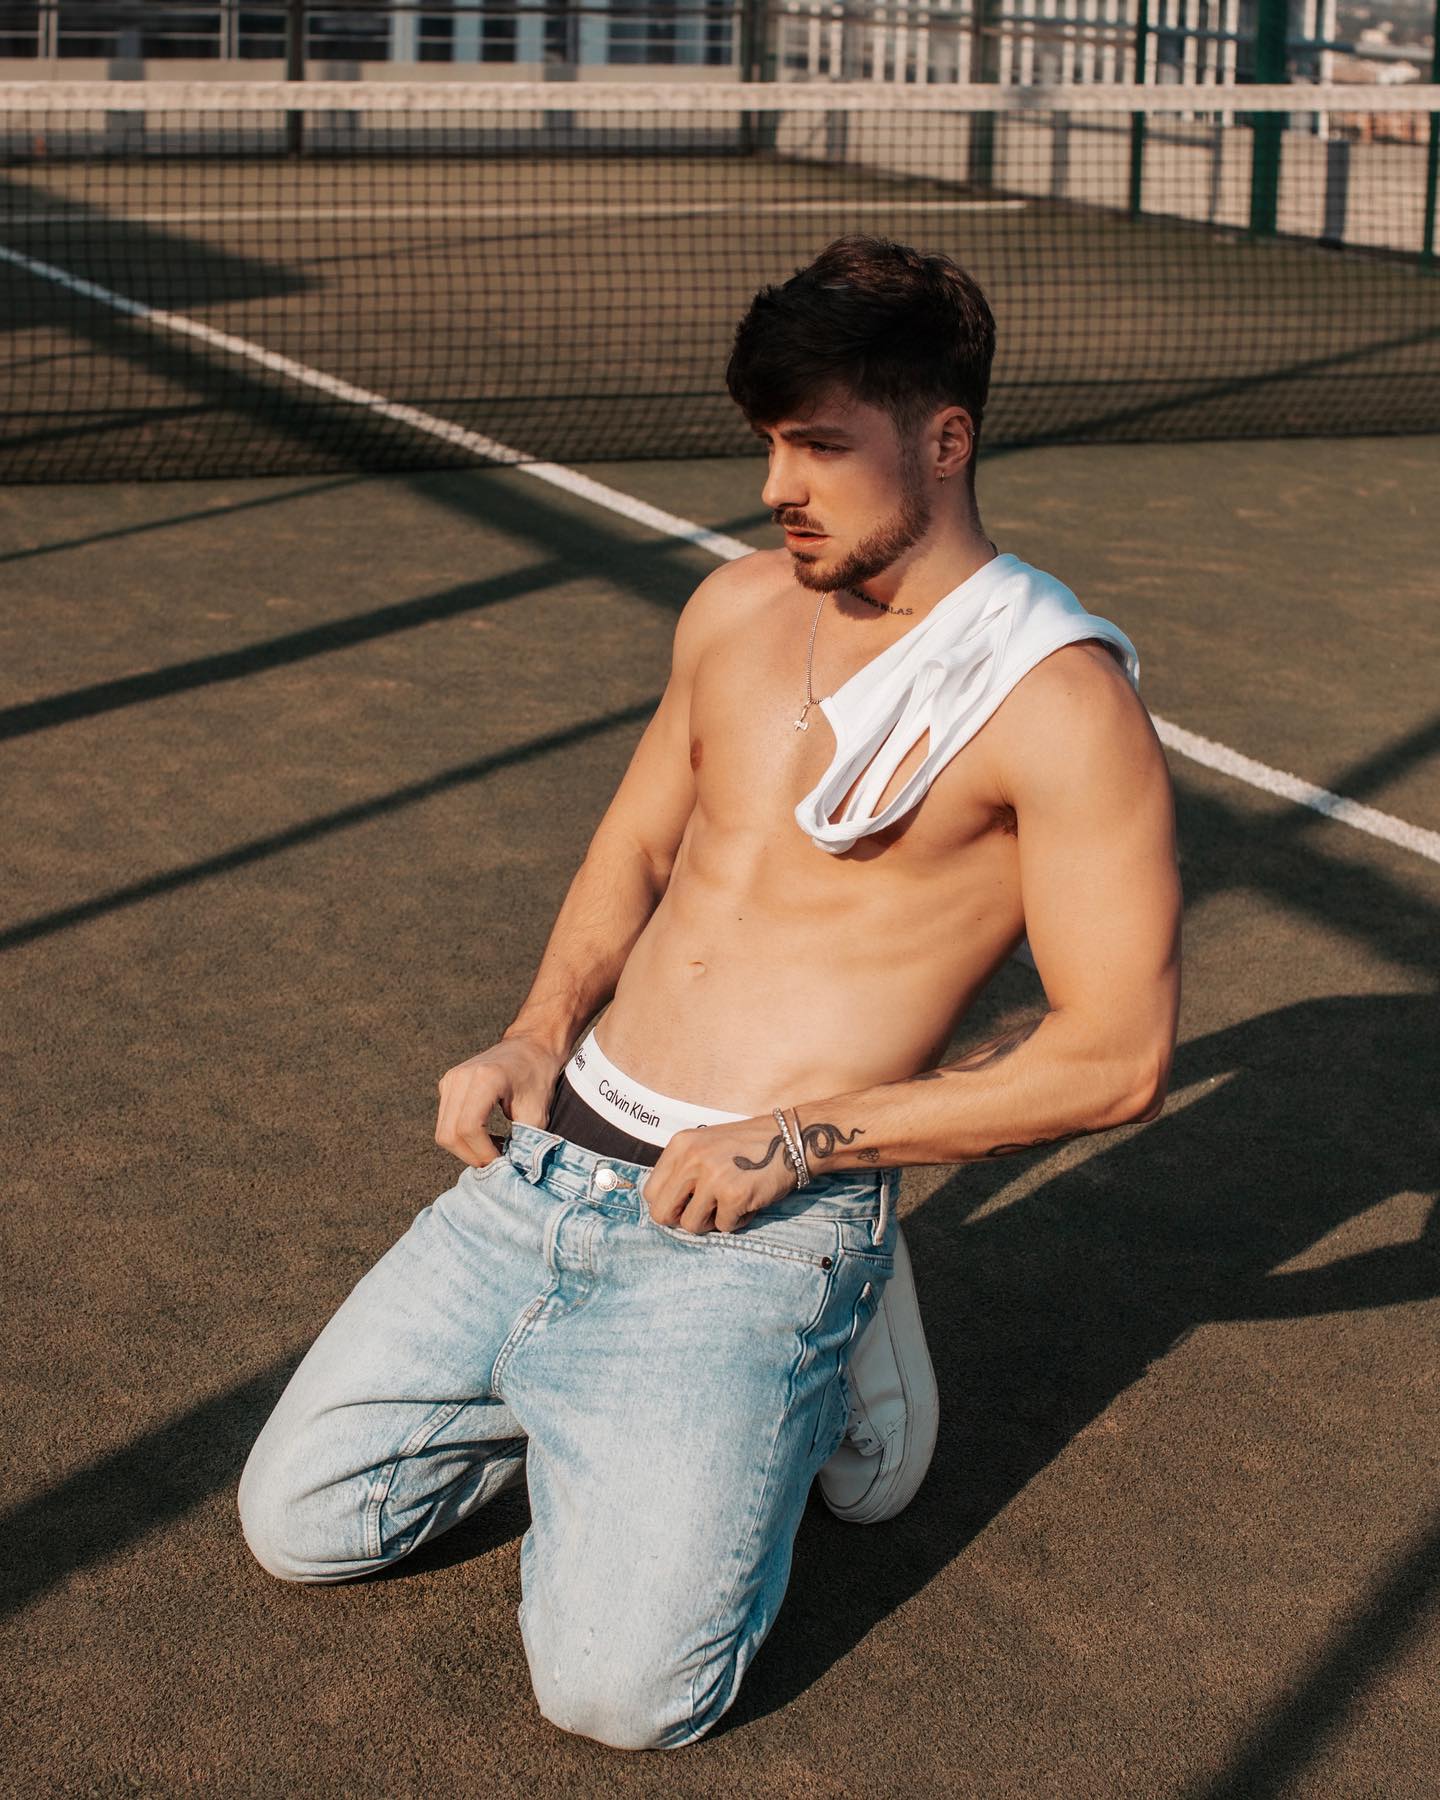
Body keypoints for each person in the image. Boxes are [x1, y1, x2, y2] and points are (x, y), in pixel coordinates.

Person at [238, 236, 1181, 1751]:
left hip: (758, 1217)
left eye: (820, 445)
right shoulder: (738, 607)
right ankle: (626, 1397)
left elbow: (1117, 1057)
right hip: (553, 1161)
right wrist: (533, 1034)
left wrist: (804, 1142)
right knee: (304, 1523)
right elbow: (638, 841)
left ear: (946, 440)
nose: (776, 486)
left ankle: (830, 1324)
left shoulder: (1059, 704)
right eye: (768, 443)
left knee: (623, 1697)